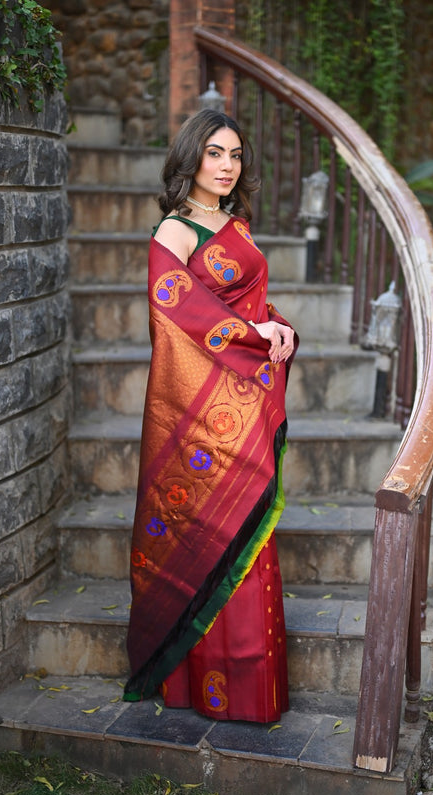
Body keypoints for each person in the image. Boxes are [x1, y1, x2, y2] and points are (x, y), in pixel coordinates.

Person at [123, 109, 297, 722]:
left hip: (246, 401)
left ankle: (251, 692)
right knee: (206, 533)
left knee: (248, 534)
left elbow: (248, 302)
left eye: (236, 155)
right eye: (215, 153)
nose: (227, 166)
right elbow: (177, 312)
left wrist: (274, 328)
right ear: (192, 156)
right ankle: (190, 683)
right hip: (201, 413)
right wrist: (250, 331)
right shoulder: (175, 232)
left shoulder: (237, 226)